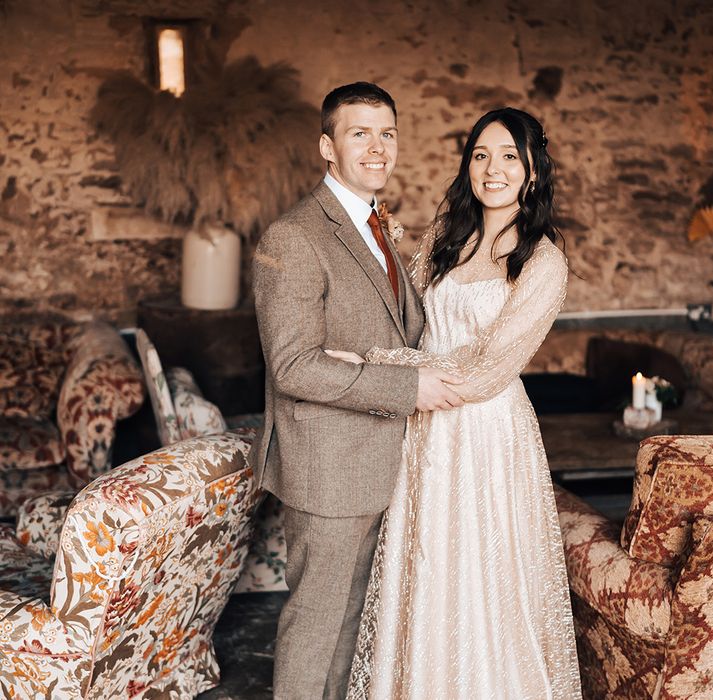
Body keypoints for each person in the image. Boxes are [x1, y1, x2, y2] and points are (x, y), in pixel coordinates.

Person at [332, 108, 582, 699]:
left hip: (486, 429)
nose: (492, 169)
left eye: (509, 157)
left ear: (532, 170)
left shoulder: (542, 260)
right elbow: (411, 324)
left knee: (480, 572)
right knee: (423, 565)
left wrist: (373, 368)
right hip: (424, 424)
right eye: (480, 155)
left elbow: (486, 368)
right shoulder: (451, 234)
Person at [250, 82, 463, 700]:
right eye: (359, 133)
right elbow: (293, 367)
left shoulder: (376, 225)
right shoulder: (293, 236)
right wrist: (407, 385)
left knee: (357, 626)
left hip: (382, 459)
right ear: (327, 146)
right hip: (331, 469)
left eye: (387, 133)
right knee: (320, 627)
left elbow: (398, 329)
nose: (377, 147)